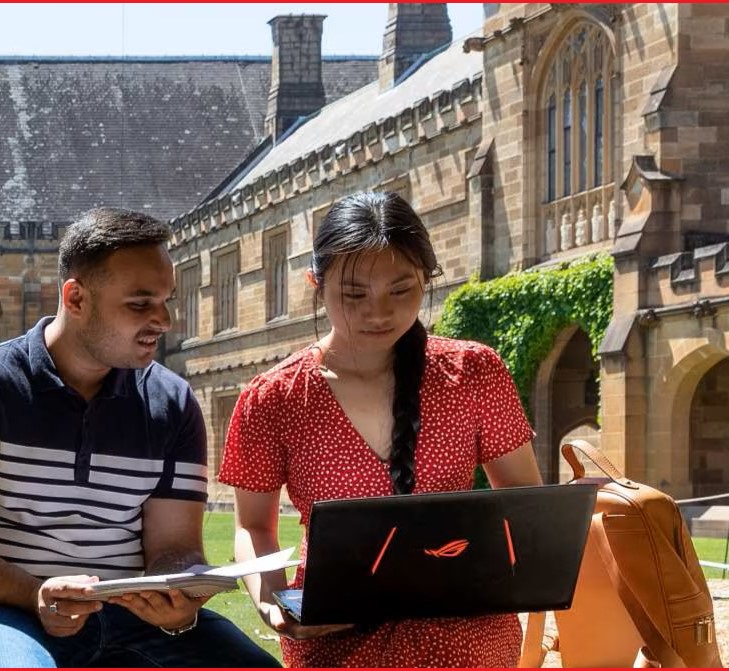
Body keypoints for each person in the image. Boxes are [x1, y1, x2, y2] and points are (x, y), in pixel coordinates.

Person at [0, 207, 280, 668]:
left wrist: (179, 592)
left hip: (129, 617)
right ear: (76, 298)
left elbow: (174, 549)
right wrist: (33, 594)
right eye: (140, 304)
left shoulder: (172, 402)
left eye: (166, 300)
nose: (164, 320)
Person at [218, 191, 544, 668]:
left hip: (468, 638)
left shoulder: (474, 371)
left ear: (426, 279)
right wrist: (274, 605)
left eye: (402, 289)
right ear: (316, 282)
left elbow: (523, 504)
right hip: (334, 638)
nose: (379, 313)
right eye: (354, 295)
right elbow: (251, 525)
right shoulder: (274, 398)